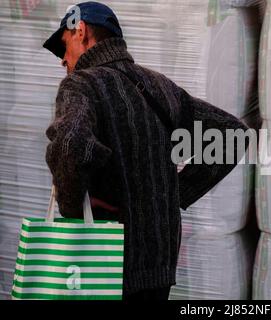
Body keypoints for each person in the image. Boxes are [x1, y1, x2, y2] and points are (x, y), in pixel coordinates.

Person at [42, 1, 248, 301]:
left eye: (64, 47)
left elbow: (70, 144)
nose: (63, 60)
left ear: (81, 31)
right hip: (160, 262)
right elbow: (232, 132)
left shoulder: (81, 84)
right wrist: (179, 191)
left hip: (104, 260)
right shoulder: (159, 86)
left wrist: (73, 217)